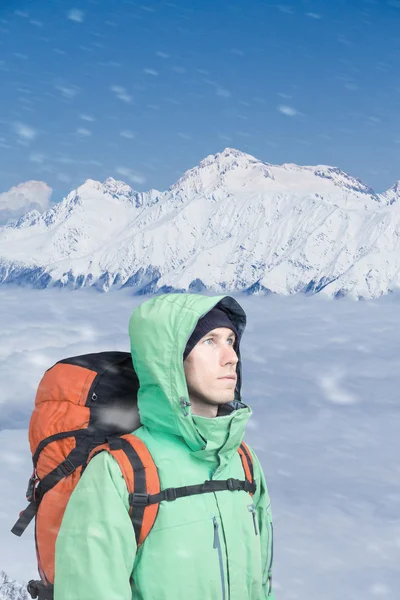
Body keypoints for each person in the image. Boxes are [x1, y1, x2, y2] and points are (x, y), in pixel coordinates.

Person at [54, 293, 275, 599]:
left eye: (230, 341)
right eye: (210, 341)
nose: (231, 356)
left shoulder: (243, 460)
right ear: (169, 361)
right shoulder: (119, 471)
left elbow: (262, 586)